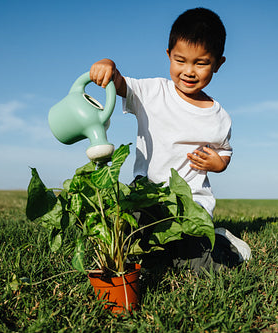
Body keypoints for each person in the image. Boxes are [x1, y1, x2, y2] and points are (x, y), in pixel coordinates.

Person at [89, 7, 251, 273]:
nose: (189, 71)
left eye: (201, 63)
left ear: (218, 64)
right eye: (180, 60)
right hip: (147, 196)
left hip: (191, 204)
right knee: (127, 244)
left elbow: (225, 153)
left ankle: (223, 241)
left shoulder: (219, 116)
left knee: (202, 267)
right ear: (168, 56)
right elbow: (118, 84)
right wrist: (107, 65)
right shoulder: (153, 92)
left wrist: (218, 164)